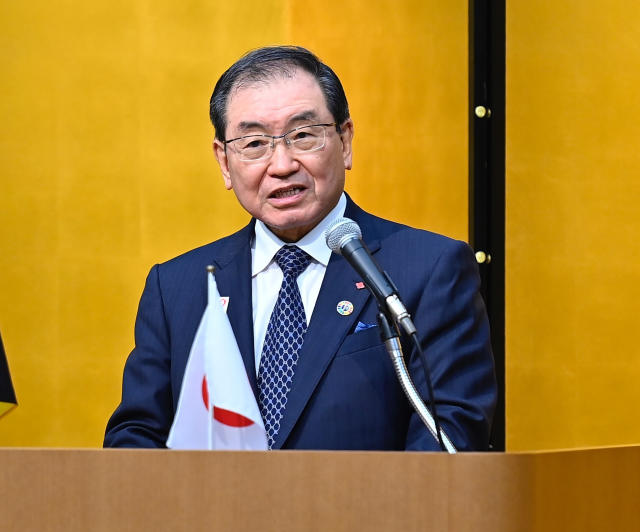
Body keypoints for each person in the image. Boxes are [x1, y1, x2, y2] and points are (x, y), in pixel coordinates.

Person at [103, 46, 496, 450]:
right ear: (224, 161)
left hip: (366, 512)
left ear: (344, 141)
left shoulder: (428, 269)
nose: (282, 163)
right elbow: (136, 437)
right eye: (254, 143)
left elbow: (449, 431)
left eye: (303, 135)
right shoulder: (177, 287)